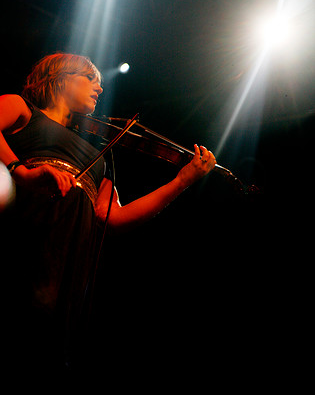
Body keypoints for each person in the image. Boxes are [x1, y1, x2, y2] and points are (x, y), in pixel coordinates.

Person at [0, 53, 216, 372]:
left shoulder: (100, 156)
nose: (99, 89)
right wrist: (21, 171)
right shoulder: (22, 108)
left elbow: (111, 218)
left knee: (47, 338)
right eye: (90, 78)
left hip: (70, 251)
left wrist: (182, 182)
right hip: (25, 224)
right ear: (59, 78)